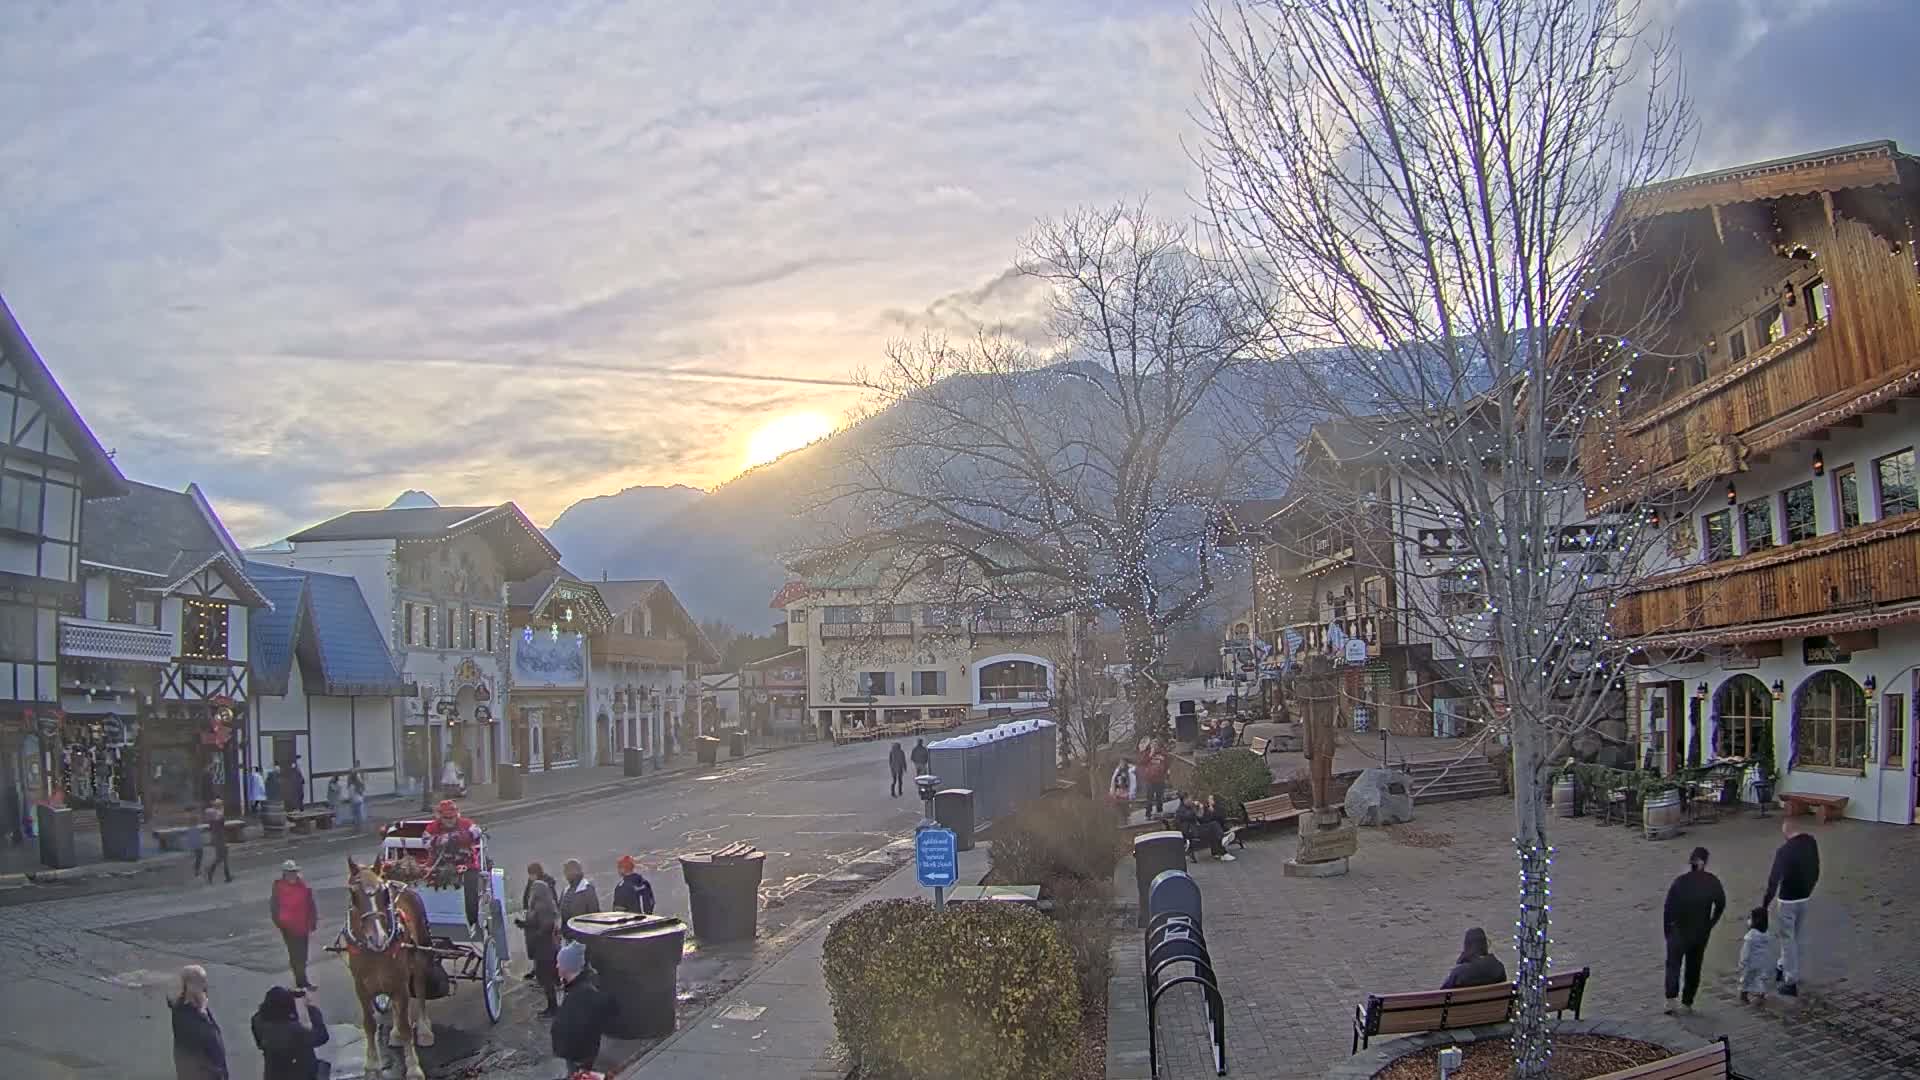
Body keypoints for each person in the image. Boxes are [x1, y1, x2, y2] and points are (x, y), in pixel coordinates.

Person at [1662, 846, 1726, 1015]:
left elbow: (1668, 908)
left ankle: (1670, 1000)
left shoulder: (1680, 882)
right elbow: (1721, 904)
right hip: (1699, 933)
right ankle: (1687, 1002)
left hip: (1679, 931)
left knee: (1673, 965)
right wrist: (1710, 924)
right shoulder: (1712, 881)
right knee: (1694, 967)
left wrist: (1668, 931)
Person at [1764, 814, 1820, 996]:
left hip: (1787, 899)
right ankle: (1781, 965)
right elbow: (1816, 868)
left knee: (1787, 939)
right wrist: (1810, 888)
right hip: (1804, 897)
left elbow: (1773, 881)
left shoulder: (1784, 851)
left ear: (1786, 832)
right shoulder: (1811, 843)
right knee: (1795, 935)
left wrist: (1765, 904)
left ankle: (1790, 980)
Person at [551, 941, 618, 1074]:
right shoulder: (579, 987)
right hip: (580, 1052)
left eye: (560, 963)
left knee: (578, 1074)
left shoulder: (582, 993)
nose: (557, 965)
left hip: (579, 1055)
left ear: (568, 967)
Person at [423, 798, 484, 929]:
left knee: (471, 884)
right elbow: (426, 842)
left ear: (457, 814)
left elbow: (477, 831)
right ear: (440, 817)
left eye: (452, 817)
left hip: (466, 864)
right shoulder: (432, 827)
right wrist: (441, 840)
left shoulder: (466, 823)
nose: (450, 820)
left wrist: (459, 836)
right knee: (424, 881)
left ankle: (472, 919)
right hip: (440, 864)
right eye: (446, 818)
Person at [250, 986, 326, 1080]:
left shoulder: (258, 1022)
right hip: (302, 1074)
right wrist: (307, 1007)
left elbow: (260, 1044)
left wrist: (288, 998)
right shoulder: (294, 1030)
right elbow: (322, 1036)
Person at [518, 861, 562, 1017]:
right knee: (545, 976)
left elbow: (544, 926)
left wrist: (534, 933)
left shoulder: (543, 907)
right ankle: (553, 1004)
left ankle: (553, 1007)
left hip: (544, 947)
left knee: (546, 977)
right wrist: (524, 924)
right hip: (543, 947)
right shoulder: (541, 905)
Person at [169, 964, 228, 1080]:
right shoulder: (192, 1015)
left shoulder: (180, 1009)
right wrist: (203, 1013)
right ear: (192, 986)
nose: (205, 987)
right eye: (202, 983)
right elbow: (212, 1041)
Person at [270, 860, 318, 991]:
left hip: (303, 925)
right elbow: (274, 907)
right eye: (289, 873)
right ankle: (301, 982)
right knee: (296, 955)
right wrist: (280, 923)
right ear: (284, 874)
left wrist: (313, 921)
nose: (292, 875)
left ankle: (301, 980)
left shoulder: (303, 886)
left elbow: (310, 904)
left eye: (294, 872)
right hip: (288, 928)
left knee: (303, 955)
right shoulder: (279, 887)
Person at [1441, 927, 1507, 989]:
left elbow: (1443, 994)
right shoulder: (1499, 968)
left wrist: (1461, 961)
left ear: (1467, 946)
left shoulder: (1459, 973)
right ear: (1485, 945)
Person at [559, 858, 600, 941]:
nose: (565, 874)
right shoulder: (566, 890)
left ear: (575, 871)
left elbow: (594, 914)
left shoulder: (587, 889)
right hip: (568, 937)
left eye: (566, 871)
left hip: (583, 938)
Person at [1739, 906, 1772, 1005]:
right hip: (1762, 961)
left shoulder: (1751, 935)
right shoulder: (1766, 933)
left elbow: (1745, 951)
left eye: (1751, 918)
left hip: (1751, 962)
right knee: (1759, 978)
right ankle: (1760, 993)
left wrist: (1742, 962)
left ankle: (1743, 994)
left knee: (1747, 978)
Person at [200, 806, 232, 884]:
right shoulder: (215, 822)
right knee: (221, 859)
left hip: (219, 841)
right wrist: (220, 813)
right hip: (220, 841)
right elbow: (222, 820)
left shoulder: (213, 822)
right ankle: (210, 872)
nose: (216, 813)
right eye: (214, 813)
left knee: (223, 859)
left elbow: (222, 820)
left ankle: (227, 876)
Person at [1138, 745, 1169, 815]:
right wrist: (1150, 754)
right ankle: (1148, 813)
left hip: (1160, 780)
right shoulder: (1148, 753)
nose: (1155, 746)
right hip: (1150, 780)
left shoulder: (1163, 754)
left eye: (1156, 744)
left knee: (1159, 798)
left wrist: (1163, 774)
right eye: (1153, 744)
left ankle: (1159, 812)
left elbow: (1166, 765)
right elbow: (1142, 762)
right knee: (1149, 798)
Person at [346, 765, 366, 833]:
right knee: (358, 814)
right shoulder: (357, 782)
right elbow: (362, 789)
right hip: (358, 800)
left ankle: (357, 827)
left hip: (355, 800)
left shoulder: (352, 783)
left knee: (356, 814)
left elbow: (353, 792)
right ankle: (359, 826)